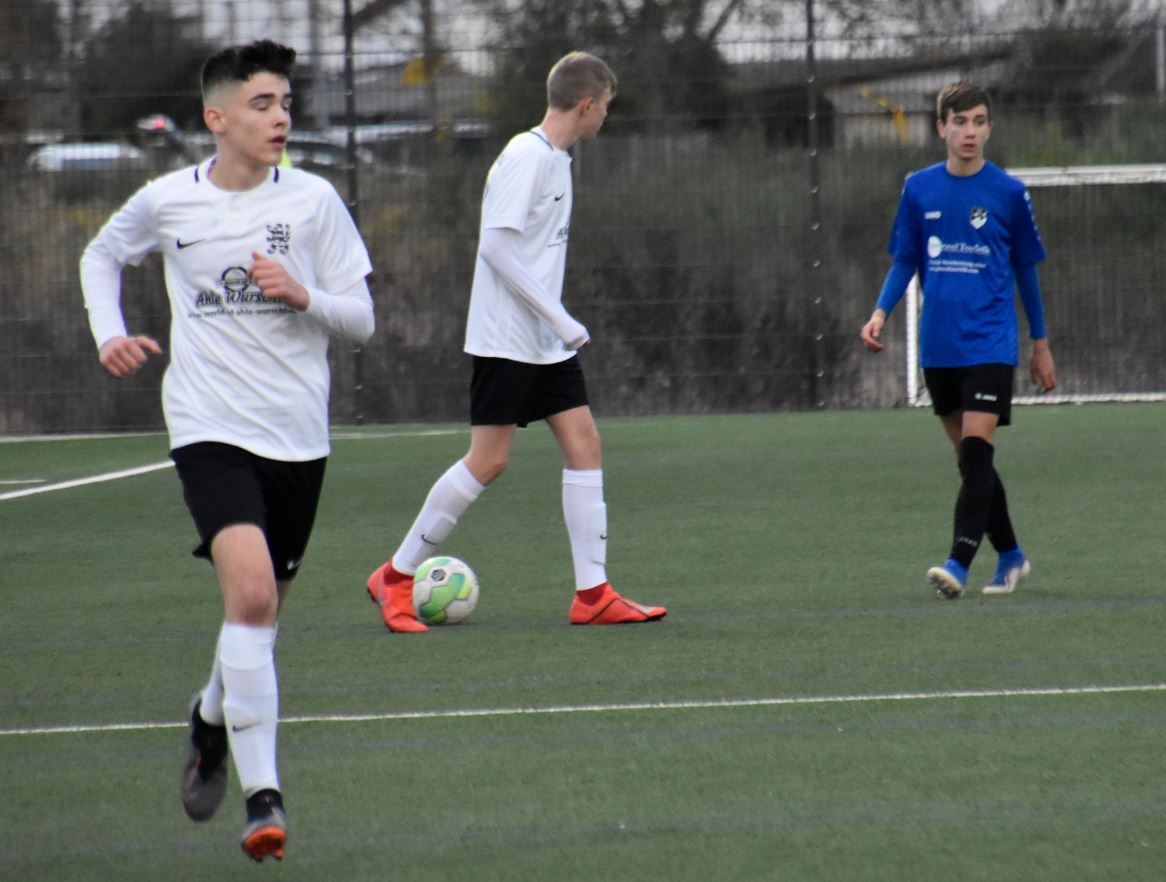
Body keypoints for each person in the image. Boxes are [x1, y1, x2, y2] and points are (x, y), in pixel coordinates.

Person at [79, 40, 374, 862]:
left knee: (261, 612)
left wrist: (304, 294)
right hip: (208, 427)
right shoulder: (169, 201)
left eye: (286, 104)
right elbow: (102, 255)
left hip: (298, 436)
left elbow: (361, 319)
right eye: (261, 104)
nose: (281, 118)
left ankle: (209, 719)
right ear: (217, 118)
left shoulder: (314, 202)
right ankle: (263, 798)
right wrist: (109, 333)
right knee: (249, 596)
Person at [366, 51, 666, 632]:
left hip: (544, 340)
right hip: (508, 338)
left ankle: (593, 594)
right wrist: (561, 318)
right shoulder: (526, 156)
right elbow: (496, 248)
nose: (606, 116)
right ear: (586, 105)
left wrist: (554, 326)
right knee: (489, 460)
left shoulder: (557, 159)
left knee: (585, 443)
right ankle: (395, 577)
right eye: (606, 106)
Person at [860, 82, 1056, 600]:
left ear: (989, 128)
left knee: (976, 448)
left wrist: (1040, 343)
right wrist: (879, 312)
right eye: (961, 121)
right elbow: (906, 259)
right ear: (941, 127)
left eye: (979, 121)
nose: (970, 131)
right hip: (939, 346)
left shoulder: (1009, 193)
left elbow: (1026, 271)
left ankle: (958, 562)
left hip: (991, 343)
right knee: (974, 463)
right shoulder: (919, 188)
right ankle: (1011, 555)